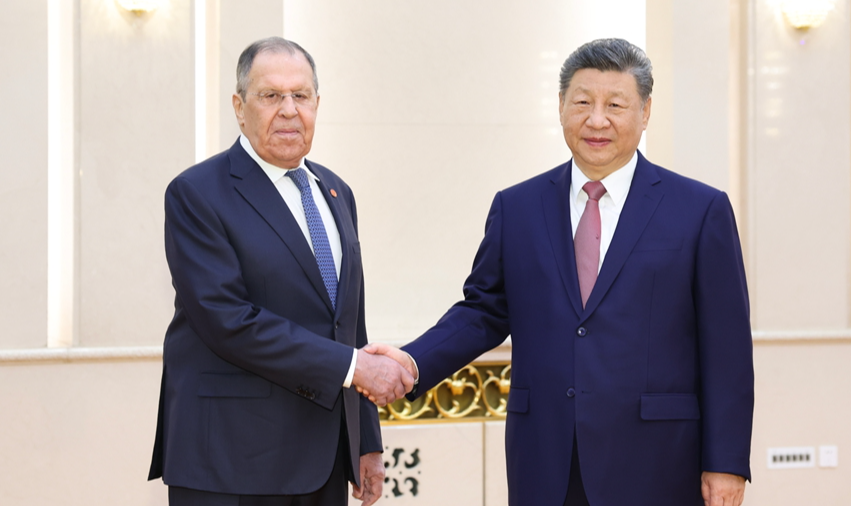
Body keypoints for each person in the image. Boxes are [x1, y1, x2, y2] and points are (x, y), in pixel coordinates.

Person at [363, 38, 754, 506]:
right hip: (546, 460)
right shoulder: (518, 207)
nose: (597, 120)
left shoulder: (699, 209)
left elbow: (726, 347)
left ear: (645, 112)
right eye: (583, 102)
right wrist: (411, 361)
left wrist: (727, 461)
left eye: (615, 104)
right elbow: (483, 311)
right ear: (561, 107)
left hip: (658, 461)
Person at [148, 36, 414, 506]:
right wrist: (355, 368)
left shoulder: (335, 192)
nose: (289, 110)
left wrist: (365, 441)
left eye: (301, 96)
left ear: (317, 103)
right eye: (271, 96)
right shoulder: (196, 194)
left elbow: (348, 324)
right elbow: (228, 321)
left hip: (324, 461)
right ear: (239, 106)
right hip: (229, 465)